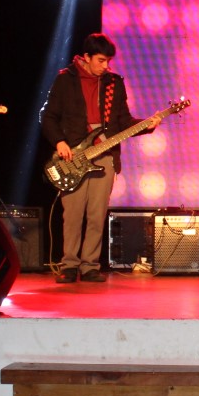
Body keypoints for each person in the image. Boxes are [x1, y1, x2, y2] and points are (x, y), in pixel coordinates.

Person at [40, 33, 161, 283]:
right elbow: (49, 116)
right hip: (74, 155)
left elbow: (123, 121)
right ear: (86, 57)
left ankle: (90, 266)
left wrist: (147, 125)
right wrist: (60, 142)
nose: (106, 66)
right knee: (73, 215)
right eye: (101, 60)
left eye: (108, 61)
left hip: (105, 154)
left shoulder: (114, 83)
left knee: (97, 215)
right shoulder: (65, 80)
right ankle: (69, 265)